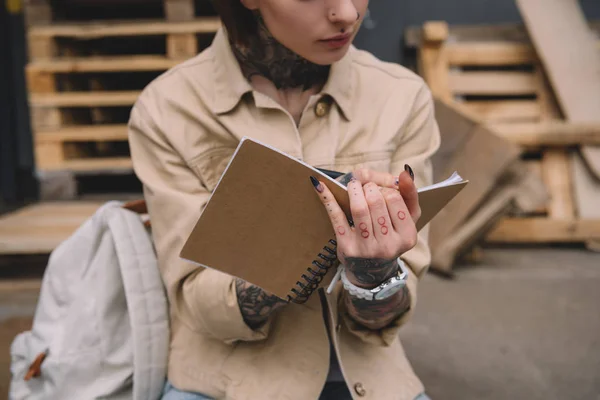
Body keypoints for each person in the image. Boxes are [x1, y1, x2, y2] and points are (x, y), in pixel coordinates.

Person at [127, 0, 441, 399]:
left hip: (371, 382)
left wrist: (373, 275)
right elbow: (199, 303)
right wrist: (304, 244)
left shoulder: (400, 96)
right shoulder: (169, 109)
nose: (347, 13)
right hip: (224, 385)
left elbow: (393, 312)